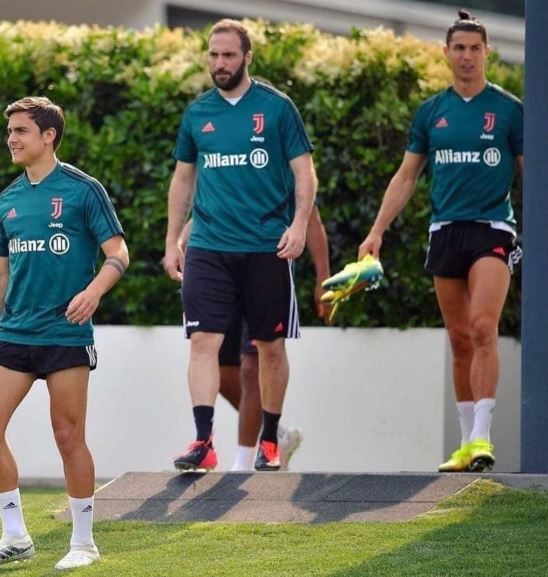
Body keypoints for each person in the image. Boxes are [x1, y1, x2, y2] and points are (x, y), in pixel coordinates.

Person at [358, 10, 523, 473]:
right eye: (460, 48)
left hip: (493, 228)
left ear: (487, 52)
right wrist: (376, 231)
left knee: (483, 327)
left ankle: (482, 437)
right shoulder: (431, 112)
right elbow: (406, 175)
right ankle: (466, 444)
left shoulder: (509, 110)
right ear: (446, 53)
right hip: (444, 230)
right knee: (459, 339)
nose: (467, 56)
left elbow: (531, 175)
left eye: (475, 48)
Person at [0, 96, 129, 570]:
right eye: (10, 131)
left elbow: (118, 253)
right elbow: (1, 271)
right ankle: (15, 537)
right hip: (14, 334)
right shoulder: (8, 199)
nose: (11, 139)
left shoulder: (84, 189)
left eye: (20, 130)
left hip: (65, 332)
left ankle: (83, 543)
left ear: (48, 135)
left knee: (67, 435)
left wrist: (94, 292)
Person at [163, 19, 318, 472]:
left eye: (228, 55)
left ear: (247, 57)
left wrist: (299, 225)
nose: (220, 63)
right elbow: (183, 179)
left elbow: (305, 172)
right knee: (202, 342)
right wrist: (172, 240)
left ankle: (271, 440)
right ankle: (202, 442)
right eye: (213, 55)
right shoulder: (198, 113)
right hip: (209, 247)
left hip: (267, 246)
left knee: (269, 346)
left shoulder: (277, 108)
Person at [220, 205, 331, 471]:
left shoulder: (286, 176)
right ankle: (278, 433)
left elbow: (311, 216)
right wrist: (178, 242)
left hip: (265, 263)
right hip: (223, 265)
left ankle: (243, 464)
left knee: (251, 368)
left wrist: (323, 277)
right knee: (221, 374)